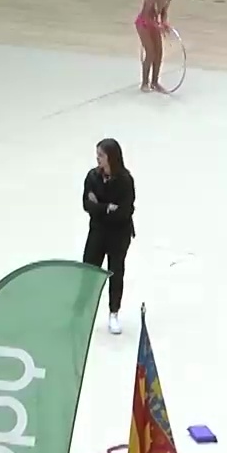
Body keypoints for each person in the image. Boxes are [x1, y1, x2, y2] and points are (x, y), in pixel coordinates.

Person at [82, 138, 136, 335]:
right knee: (88, 271)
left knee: (115, 272)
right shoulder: (92, 177)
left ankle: (114, 313)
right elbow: (87, 205)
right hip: (97, 231)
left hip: (118, 235)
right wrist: (107, 208)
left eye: (101, 155)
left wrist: (100, 207)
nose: (98, 159)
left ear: (111, 157)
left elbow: (125, 211)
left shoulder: (125, 181)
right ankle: (83, 313)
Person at [135, 0, 173, 93]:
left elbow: (163, 13)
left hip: (154, 23)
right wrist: (158, 26)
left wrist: (164, 22)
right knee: (151, 52)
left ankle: (155, 82)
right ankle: (145, 83)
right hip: (143, 24)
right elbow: (146, 18)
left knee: (159, 53)